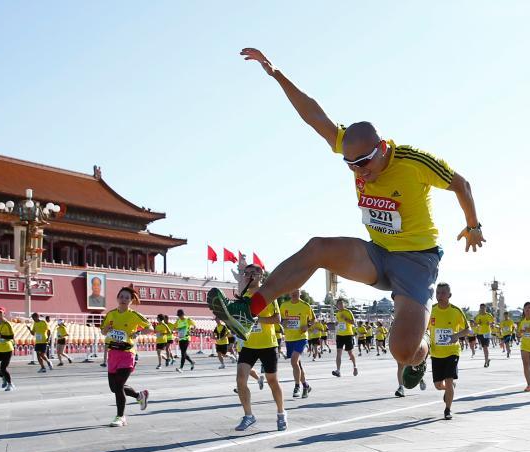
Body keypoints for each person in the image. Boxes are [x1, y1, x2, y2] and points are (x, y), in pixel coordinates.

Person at [206, 47, 485, 394]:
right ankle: (249, 310)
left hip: (417, 262)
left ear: (382, 148)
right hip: (377, 253)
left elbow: (462, 184)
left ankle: (419, 356)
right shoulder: (354, 153)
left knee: (402, 351)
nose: (358, 171)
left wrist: (473, 227)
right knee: (317, 248)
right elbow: (313, 116)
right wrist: (276, 73)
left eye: (364, 163)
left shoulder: (414, 162)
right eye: (350, 164)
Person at [233, 263, 286, 431]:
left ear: (260, 275)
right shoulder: (243, 296)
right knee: (240, 379)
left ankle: (281, 413)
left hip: (267, 344)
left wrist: (257, 320)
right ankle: (249, 416)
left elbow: (277, 319)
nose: (249, 276)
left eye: (253, 273)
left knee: (272, 381)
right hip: (248, 344)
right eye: (246, 273)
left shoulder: (268, 294)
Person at [101, 287, 150, 427]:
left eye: (127, 297)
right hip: (113, 354)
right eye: (121, 296)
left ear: (131, 300)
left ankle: (120, 417)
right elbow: (103, 331)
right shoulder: (111, 314)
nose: (123, 299)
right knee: (114, 387)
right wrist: (107, 330)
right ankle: (139, 395)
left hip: (127, 354)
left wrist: (138, 333)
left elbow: (150, 327)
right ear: (117, 298)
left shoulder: (134, 315)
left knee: (119, 385)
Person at [424, 283, 471, 418]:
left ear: (449, 295)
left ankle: (447, 410)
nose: (440, 296)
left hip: (452, 352)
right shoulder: (431, 310)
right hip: (437, 353)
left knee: (449, 380)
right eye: (438, 293)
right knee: (438, 385)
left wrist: (456, 336)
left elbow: (468, 330)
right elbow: (424, 328)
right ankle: (449, 388)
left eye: (443, 293)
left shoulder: (456, 311)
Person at [279, 288, 315, 398]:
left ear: (300, 293)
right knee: (297, 364)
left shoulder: (305, 306)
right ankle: (306, 385)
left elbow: (314, 319)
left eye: (297, 291)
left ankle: (297, 387)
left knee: (294, 361)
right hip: (290, 338)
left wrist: (308, 326)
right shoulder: (284, 306)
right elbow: (281, 320)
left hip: (301, 337)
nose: (294, 293)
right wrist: (283, 323)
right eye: (292, 291)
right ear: (289, 293)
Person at [331, 298, 358, 377]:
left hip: (348, 335)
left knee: (350, 353)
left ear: (344, 305)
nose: (340, 305)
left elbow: (353, 322)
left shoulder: (348, 312)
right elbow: (339, 322)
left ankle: (355, 367)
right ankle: (338, 370)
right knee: (339, 352)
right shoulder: (337, 313)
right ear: (337, 306)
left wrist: (345, 318)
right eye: (339, 304)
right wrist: (336, 323)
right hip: (339, 335)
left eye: (342, 304)